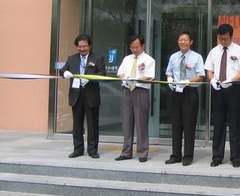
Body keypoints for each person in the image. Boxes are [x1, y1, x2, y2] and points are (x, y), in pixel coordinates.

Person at [204, 23, 240, 168]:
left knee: (235, 123)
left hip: (234, 88)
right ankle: (217, 156)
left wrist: (231, 80)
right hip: (218, 89)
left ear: (231, 36)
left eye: (225, 38)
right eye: (220, 38)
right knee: (218, 123)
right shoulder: (214, 51)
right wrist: (212, 80)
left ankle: (235, 157)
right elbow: (208, 70)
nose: (222, 41)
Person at [59, 34, 106, 159]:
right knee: (77, 124)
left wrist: (90, 79)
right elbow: (62, 70)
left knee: (92, 125)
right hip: (76, 95)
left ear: (90, 46)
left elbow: (102, 73)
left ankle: (93, 150)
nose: (82, 49)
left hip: (91, 95)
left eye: (84, 46)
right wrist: (65, 72)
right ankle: (78, 149)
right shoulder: (72, 58)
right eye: (79, 46)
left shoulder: (98, 58)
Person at [164, 31, 205, 166]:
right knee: (176, 125)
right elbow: (169, 72)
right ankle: (175, 155)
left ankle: (187, 156)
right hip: (175, 92)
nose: (182, 42)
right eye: (180, 39)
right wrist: (169, 79)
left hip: (189, 92)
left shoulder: (197, 57)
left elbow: (200, 76)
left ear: (191, 42)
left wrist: (187, 81)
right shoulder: (173, 57)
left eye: (185, 40)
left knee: (189, 125)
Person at [115, 35, 155, 163]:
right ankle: (126, 152)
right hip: (127, 90)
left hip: (140, 91)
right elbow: (120, 73)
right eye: (132, 47)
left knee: (141, 123)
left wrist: (135, 79)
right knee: (126, 123)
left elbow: (149, 76)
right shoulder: (127, 59)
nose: (134, 49)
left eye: (137, 47)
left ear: (142, 45)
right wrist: (125, 78)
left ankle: (142, 152)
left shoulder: (149, 60)